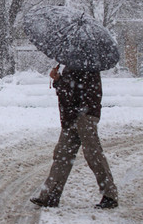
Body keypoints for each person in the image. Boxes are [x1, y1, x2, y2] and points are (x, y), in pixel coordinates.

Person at [30, 65, 118, 209]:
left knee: (93, 154)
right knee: (62, 154)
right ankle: (50, 195)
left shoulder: (87, 65)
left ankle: (110, 194)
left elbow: (74, 92)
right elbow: (68, 92)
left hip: (84, 116)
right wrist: (59, 80)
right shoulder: (73, 65)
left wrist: (60, 81)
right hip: (71, 117)